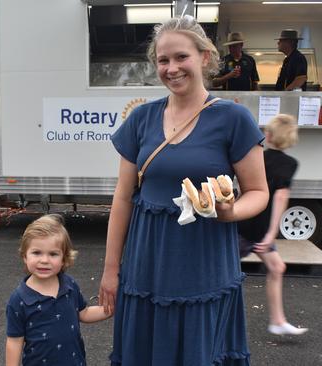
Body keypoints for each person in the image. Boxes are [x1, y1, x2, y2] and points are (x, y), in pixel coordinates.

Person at [99, 15, 269, 366]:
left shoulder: (233, 119)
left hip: (204, 263)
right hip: (146, 263)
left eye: (181, 57)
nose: (172, 68)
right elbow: (122, 197)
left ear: (205, 57)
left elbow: (258, 191)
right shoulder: (141, 118)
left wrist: (230, 211)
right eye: (163, 60)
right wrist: (110, 270)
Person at [5, 214, 112, 366]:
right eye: (37, 253)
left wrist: (110, 309)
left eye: (53, 254)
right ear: (24, 256)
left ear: (64, 259)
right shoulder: (19, 300)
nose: (44, 260)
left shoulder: (69, 285)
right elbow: (14, 342)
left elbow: (84, 313)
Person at [237, 114, 307, 336]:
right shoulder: (290, 164)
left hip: (244, 222)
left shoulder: (256, 158)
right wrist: (271, 233)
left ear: (267, 135)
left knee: (276, 267)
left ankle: (277, 321)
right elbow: (279, 199)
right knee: (221, 273)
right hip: (254, 229)